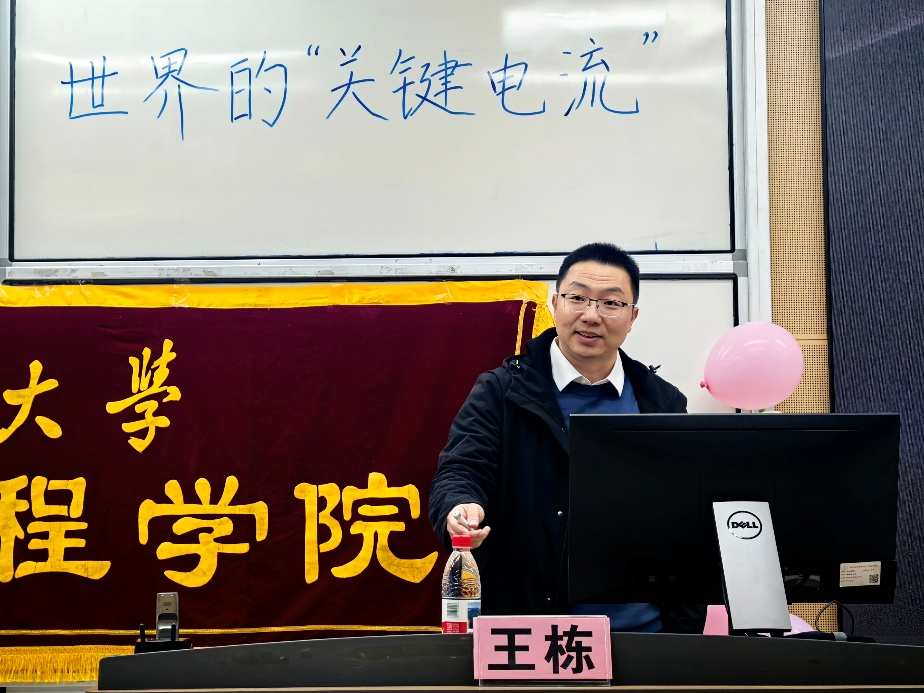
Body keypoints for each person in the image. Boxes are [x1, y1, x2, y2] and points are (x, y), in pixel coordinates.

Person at [428, 242, 706, 634]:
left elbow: (685, 519)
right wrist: (460, 507)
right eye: (578, 298)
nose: (591, 315)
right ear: (555, 303)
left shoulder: (661, 402)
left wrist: (683, 634)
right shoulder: (502, 391)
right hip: (533, 633)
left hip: (643, 636)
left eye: (611, 303)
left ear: (632, 317)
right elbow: (461, 470)